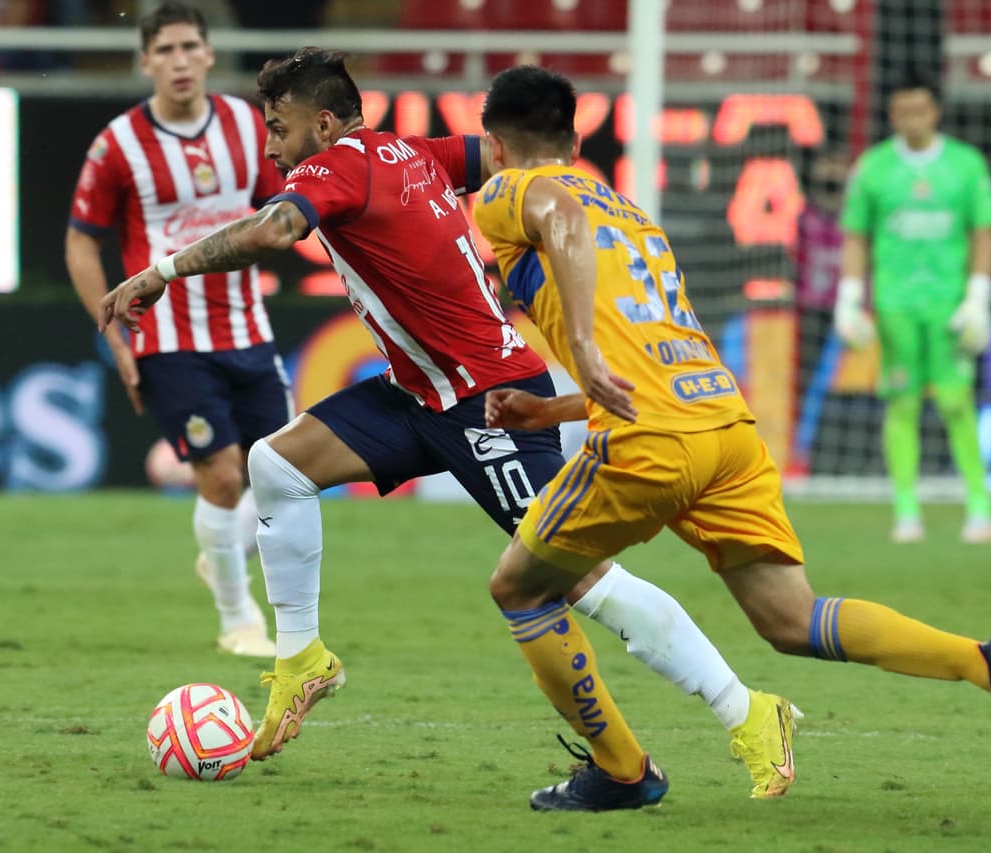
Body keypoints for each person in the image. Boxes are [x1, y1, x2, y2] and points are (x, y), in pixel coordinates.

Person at [97, 47, 795, 798]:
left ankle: (749, 710)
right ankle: (303, 660)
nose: (271, 145)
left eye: (279, 127)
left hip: (487, 400)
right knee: (277, 464)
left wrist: (158, 272)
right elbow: (510, 160)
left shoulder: (335, 165)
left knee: (581, 579)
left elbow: (273, 233)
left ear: (323, 123)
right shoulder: (413, 151)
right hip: (419, 394)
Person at [472, 64, 991, 812]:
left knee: (520, 587)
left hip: (650, 443)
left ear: (495, 145)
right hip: (723, 428)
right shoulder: (631, 215)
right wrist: (554, 410)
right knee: (794, 619)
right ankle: (989, 665)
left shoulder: (512, 190)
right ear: (574, 134)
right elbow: (651, 353)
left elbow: (557, 212)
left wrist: (587, 355)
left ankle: (622, 772)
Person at [66, 2, 285, 658]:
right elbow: (81, 244)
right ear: (145, 61)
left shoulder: (249, 128)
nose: (180, 61)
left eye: (190, 46)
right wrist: (113, 334)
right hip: (167, 338)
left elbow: (289, 211)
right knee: (220, 476)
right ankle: (237, 615)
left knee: (286, 472)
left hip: (248, 326)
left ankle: (222, 551)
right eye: (164, 50)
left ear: (211, 54)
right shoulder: (117, 145)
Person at [834, 70, 991, 544]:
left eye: (919, 110)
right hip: (895, 304)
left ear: (935, 112)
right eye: (902, 111)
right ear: (892, 115)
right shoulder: (875, 168)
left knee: (955, 402)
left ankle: (980, 505)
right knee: (901, 403)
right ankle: (906, 509)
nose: (912, 119)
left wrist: (979, 296)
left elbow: (982, 231)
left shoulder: (965, 166)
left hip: (948, 304)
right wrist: (849, 299)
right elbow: (857, 236)